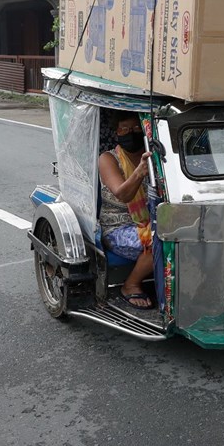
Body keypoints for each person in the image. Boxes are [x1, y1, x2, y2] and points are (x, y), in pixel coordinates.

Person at [98, 112, 155, 310]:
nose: (131, 133)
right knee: (161, 239)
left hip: (153, 220)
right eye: (125, 129)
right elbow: (122, 194)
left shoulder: (153, 155)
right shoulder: (108, 159)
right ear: (116, 132)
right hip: (119, 228)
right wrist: (139, 172)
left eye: (136, 129)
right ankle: (130, 285)